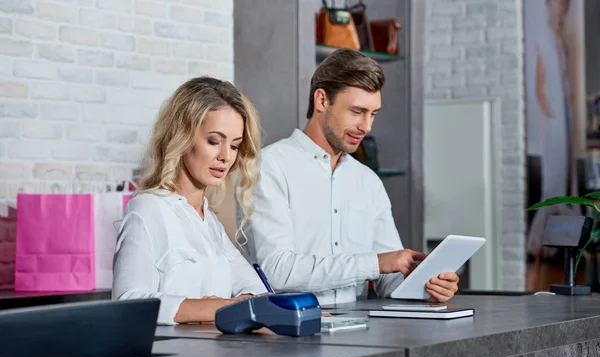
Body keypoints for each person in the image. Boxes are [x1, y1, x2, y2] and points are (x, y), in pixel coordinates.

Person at [242, 49, 459, 305]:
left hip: (360, 334)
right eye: (357, 111)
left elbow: (388, 280)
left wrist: (428, 286)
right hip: (286, 334)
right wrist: (376, 263)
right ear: (322, 100)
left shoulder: (368, 182)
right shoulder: (270, 167)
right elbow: (277, 270)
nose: (366, 127)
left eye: (373, 114)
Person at [113, 77, 267, 325]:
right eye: (214, 141)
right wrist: (214, 308)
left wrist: (226, 306)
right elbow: (128, 303)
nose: (226, 157)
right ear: (182, 137)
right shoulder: (148, 209)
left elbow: (258, 293)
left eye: (235, 146)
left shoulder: (209, 221)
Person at [527, 0, 578, 260]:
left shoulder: (560, 40)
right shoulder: (543, 38)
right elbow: (539, 85)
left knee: (565, 182)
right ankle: (541, 243)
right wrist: (553, 115)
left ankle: (562, 242)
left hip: (564, 121)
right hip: (554, 122)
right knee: (553, 182)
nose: (560, 10)